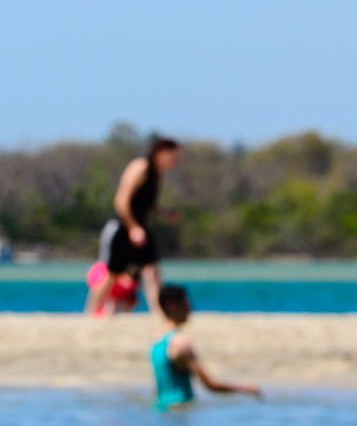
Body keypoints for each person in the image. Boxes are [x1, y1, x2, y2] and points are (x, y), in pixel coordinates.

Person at [86, 136, 180, 316]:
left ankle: (159, 314)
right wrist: (133, 227)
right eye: (173, 156)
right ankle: (90, 313)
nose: (175, 161)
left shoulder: (156, 174)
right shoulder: (141, 167)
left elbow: (145, 203)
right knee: (112, 273)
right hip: (122, 226)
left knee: (152, 270)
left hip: (140, 227)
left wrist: (165, 213)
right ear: (161, 152)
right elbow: (121, 201)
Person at [149, 285, 262, 408]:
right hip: (180, 411)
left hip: (161, 409)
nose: (190, 309)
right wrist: (246, 389)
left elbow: (160, 386)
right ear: (172, 305)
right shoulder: (180, 343)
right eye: (186, 303)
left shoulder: (156, 340)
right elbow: (210, 385)